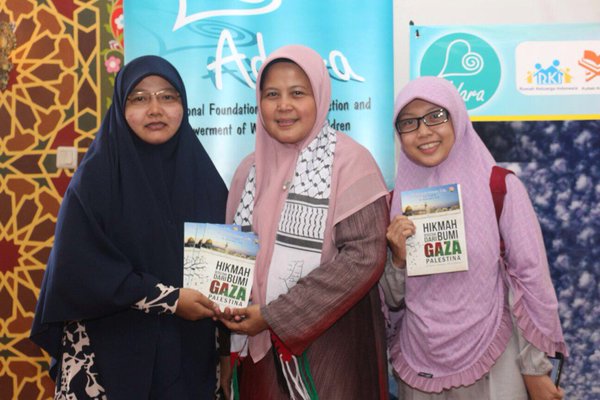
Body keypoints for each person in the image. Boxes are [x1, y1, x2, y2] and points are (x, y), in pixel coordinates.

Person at [30, 55, 228, 399]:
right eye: (139, 98)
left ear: (183, 105)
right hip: (106, 358)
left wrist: (225, 352)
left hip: (189, 358)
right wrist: (170, 299)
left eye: (168, 97)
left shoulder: (208, 183)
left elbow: (223, 283)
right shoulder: (93, 183)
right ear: (121, 108)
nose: (155, 109)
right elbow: (80, 271)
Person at [218, 45, 390, 399]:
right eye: (272, 95)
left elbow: (364, 257)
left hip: (330, 349)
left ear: (320, 97)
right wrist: (228, 306)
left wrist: (276, 316)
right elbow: (231, 256)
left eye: (298, 93)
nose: (284, 105)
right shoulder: (247, 171)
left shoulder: (350, 163)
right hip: (255, 351)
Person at [380, 76, 568, 400]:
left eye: (436, 116)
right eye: (409, 122)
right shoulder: (393, 203)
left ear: (457, 117)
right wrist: (397, 259)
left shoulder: (500, 188)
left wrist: (534, 368)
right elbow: (390, 300)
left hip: (496, 358)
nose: (423, 131)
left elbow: (531, 281)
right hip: (419, 364)